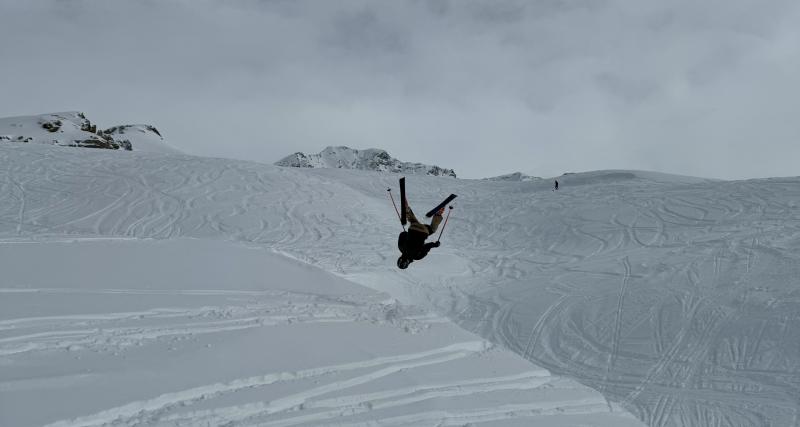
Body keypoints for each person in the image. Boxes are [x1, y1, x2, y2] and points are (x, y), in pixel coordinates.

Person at [397, 203, 444, 269]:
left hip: (424, 231)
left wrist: (435, 244)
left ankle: (438, 214)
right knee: (412, 220)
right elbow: (402, 234)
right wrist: (408, 235)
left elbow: (427, 246)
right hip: (412, 228)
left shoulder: (417, 256)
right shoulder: (401, 248)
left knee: (432, 229)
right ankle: (406, 208)